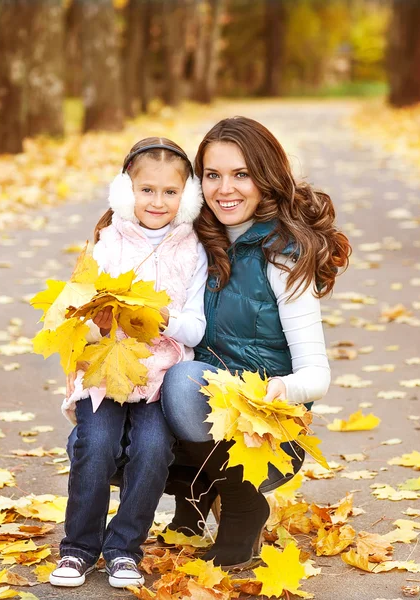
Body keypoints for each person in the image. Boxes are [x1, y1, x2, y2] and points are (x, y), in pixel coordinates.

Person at [160, 116, 352, 569]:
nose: (225, 189)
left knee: (185, 382)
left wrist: (281, 390)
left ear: (266, 178)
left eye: (241, 174)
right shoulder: (189, 245)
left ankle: (244, 505)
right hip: (191, 414)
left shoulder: (282, 257)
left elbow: (317, 375)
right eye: (213, 175)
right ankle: (196, 497)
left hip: (263, 431)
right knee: (103, 432)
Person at [50, 137, 208, 588]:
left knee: (153, 449)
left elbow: (195, 328)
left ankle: (123, 547)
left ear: (188, 197)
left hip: (159, 373)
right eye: (147, 190)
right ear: (126, 191)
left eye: (170, 192)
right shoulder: (106, 241)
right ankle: (79, 548)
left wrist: (163, 318)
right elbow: (75, 312)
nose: (157, 201)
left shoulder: (192, 250)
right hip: (105, 370)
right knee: (95, 446)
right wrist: (99, 324)